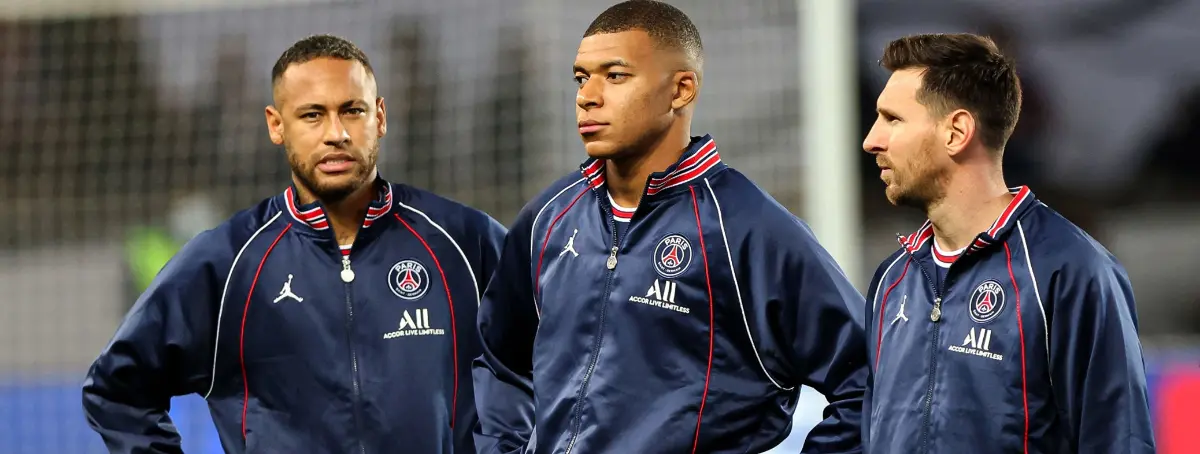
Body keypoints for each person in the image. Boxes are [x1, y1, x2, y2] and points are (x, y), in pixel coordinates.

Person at [472, 2, 868, 453]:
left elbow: (864, 384)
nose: (587, 96)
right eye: (581, 78)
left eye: (615, 76)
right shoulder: (548, 217)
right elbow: (501, 363)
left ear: (681, 90)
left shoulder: (750, 229)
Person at [82, 34, 506, 454]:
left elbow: (542, 358)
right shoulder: (228, 263)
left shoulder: (465, 242)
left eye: (352, 111)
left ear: (379, 117)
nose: (335, 133)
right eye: (312, 115)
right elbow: (116, 387)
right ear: (276, 125)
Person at [860, 33, 1156, 453]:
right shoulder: (892, 279)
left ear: (956, 131)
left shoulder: (1069, 271)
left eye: (892, 119)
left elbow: (1119, 441)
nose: (872, 140)